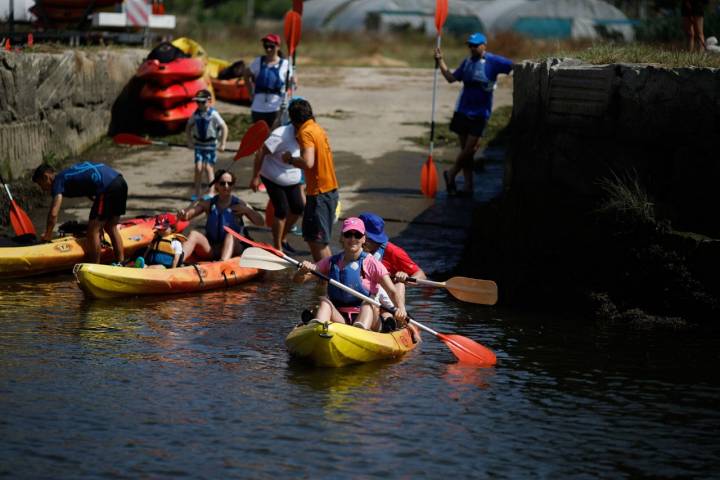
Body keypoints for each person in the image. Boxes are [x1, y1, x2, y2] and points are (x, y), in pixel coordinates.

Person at [435, 32, 513, 198]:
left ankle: (451, 173)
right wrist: (440, 61)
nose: (472, 48)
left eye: (475, 45)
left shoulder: (494, 61)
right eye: (470, 45)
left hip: (481, 113)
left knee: (471, 148)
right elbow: (450, 78)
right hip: (462, 111)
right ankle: (468, 187)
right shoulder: (467, 62)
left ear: (484, 45)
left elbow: (514, 66)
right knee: (466, 152)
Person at [293, 217, 407, 331]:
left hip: (368, 318)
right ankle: (317, 330)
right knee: (325, 301)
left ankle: (360, 332)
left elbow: (392, 291)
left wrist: (401, 309)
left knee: (367, 305)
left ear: (363, 239)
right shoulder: (332, 261)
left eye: (357, 235)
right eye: (348, 234)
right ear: (342, 237)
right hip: (340, 318)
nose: (352, 239)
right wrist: (302, 271)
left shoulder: (372, 263)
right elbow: (298, 280)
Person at [32, 162, 128, 264]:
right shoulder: (68, 174)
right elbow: (87, 180)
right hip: (120, 181)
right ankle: (121, 262)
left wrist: (48, 234)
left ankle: (95, 268)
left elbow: (53, 213)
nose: (42, 188)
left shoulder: (58, 182)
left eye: (40, 184)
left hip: (107, 187)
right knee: (110, 227)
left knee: (92, 232)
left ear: (46, 177)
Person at [282, 98, 339, 261]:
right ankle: (327, 279)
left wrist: (290, 159)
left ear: (294, 121)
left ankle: (324, 282)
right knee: (319, 240)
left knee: (316, 241)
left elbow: (308, 162)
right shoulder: (317, 128)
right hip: (329, 191)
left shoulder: (305, 132)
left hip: (320, 194)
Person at [177, 170, 263, 261]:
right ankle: (178, 261)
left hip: (234, 248)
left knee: (231, 235)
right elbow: (188, 216)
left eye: (229, 183)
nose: (226, 186)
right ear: (216, 185)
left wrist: (247, 210)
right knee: (193, 234)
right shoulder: (209, 203)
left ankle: (222, 263)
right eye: (222, 183)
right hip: (212, 248)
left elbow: (260, 222)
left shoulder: (239, 204)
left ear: (233, 185)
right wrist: (183, 214)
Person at [249, 114, 304, 253]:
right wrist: (255, 177)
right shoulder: (280, 135)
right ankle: (277, 247)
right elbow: (261, 152)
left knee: (298, 208)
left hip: (292, 177)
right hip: (272, 176)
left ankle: (283, 238)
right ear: (295, 125)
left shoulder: (308, 132)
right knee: (282, 210)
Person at [185, 89, 228, 201]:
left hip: (211, 145)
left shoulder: (214, 114)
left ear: (209, 101)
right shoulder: (196, 114)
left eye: (202, 102)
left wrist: (222, 143)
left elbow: (224, 127)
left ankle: (212, 192)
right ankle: (197, 192)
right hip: (199, 145)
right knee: (198, 168)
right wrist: (189, 141)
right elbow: (188, 127)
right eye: (197, 102)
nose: (200, 105)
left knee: (209, 168)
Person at [244, 33, 294, 128]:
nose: (268, 49)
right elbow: (246, 75)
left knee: (273, 136)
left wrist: (288, 97)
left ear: (278, 47)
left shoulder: (285, 64)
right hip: (257, 107)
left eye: (271, 46)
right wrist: (250, 93)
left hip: (276, 108)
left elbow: (292, 84)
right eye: (265, 46)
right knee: (259, 136)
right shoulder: (258, 62)